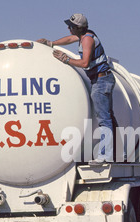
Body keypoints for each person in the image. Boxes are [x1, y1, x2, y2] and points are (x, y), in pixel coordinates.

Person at [37, 13, 116, 166]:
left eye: (71, 26)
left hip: (100, 81)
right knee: (107, 117)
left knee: (104, 120)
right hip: (102, 79)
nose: (68, 28)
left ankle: (105, 155)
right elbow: (68, 39)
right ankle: (113, 151)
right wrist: (51, 43)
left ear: (78, 28)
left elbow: (85, 62)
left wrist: (66, 59)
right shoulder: (85, 35)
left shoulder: (86, 40)